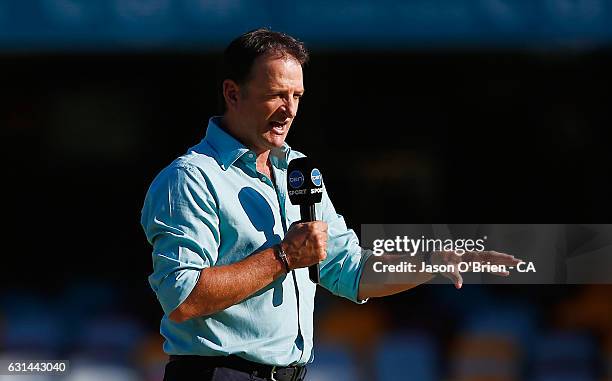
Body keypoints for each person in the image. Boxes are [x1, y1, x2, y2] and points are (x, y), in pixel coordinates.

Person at [140, 28, 520, 381]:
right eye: (275, 94)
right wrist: (284, 257)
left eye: (296, 96)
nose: (288, 110)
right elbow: (183, 297)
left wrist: (429, 264)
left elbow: (348, 269)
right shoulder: (190, 178)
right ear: (233, 93)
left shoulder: (298, 169)